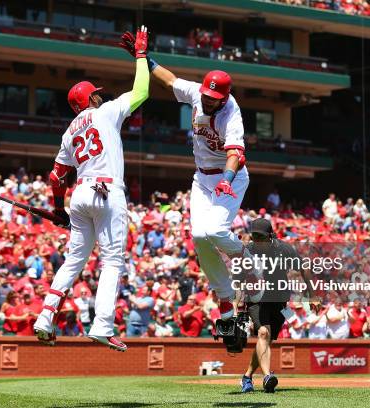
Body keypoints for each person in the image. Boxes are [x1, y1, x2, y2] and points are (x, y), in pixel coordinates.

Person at [33, 26, 150, 352]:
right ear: (91, 99)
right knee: (113, 261)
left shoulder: (69, 131)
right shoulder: (106, 111)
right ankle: (102, 325)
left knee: (73, 261)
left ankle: (45, 316)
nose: (101, 94)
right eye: (96, 93)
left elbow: (57, 177)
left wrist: (58, 209)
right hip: (107, 191)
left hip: (81, 193)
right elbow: (141, 91)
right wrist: (141, 57)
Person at [120, 29, 249, 322]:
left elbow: (235, 154)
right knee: (200, 237)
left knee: (214, 232)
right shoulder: (197, 93)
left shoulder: (231, 112)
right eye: (207, 94)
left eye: (215, 97)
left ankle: (250, 260)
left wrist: (227, 180)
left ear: (225, 97)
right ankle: (226, 298)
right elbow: (169, 80)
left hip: (229, 178)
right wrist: (143, 58)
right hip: (202, 180)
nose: (209, 99)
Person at [239, 218, 306, 394]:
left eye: (260, 237)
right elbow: (237, 278)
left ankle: (247, 377)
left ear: (270, 235)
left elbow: (303, 269)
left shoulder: (284, 249)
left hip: (279, 300)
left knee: (266, 341)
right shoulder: (248, 250)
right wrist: (233, 304)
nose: (257, 241)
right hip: (256, 299)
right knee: (263, 333)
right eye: (254, 237)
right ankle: (268, 377)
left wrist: (312, 295)